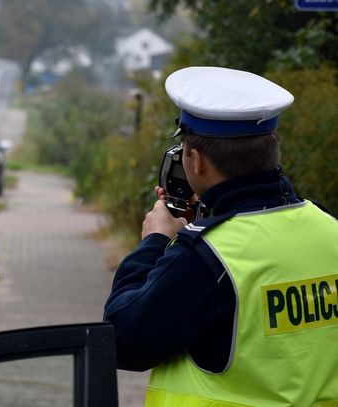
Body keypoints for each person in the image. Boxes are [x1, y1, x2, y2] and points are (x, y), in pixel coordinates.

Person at [103, 66, 338, 406]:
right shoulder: (328, 228)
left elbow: (122, 341)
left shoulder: (205, 257)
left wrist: (154, 243)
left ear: (196, 161)